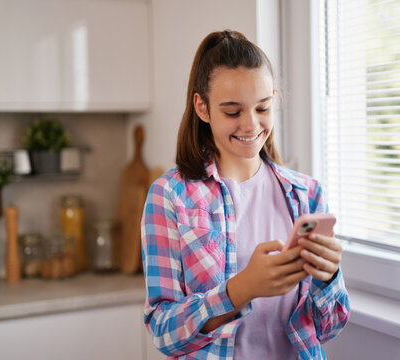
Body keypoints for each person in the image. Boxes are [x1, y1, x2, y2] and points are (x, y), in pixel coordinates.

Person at [141, 29, 349, 360]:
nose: (251, 125)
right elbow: (164, 333)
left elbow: (328, 329)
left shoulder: (306, 194)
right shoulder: (170, 196)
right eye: (233, 112)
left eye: (262, 108)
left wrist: (329, 277)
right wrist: (241, 289)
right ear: (203, 108)